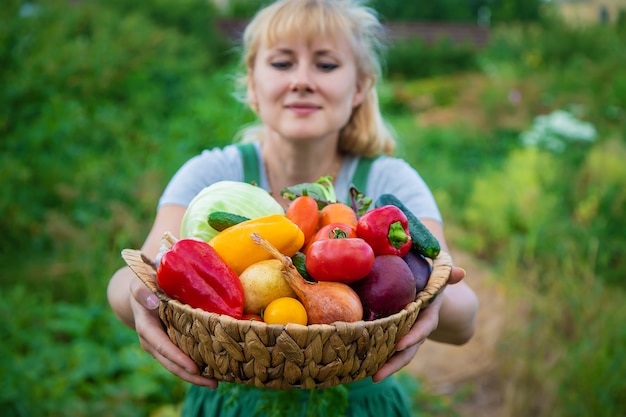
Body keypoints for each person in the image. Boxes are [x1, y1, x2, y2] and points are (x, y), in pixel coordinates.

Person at [107, 0, 478, 415]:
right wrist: (139, 297)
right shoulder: (212, 173)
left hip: (358, 404)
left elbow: (464, 321)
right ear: (251, 84)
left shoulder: (390, 183)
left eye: (326, 65)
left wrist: (434, 297)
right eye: (282, 64)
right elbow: (134, 274)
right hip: (231, 402)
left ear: (359, 87)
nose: (302, 80)